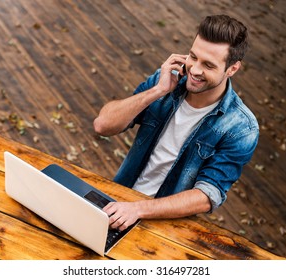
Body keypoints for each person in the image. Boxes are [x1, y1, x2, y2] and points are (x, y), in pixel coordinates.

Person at [93, 14, 259, 231]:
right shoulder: (165, 82)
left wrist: (138, 209)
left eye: (208, 65)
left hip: (165, 226)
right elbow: (102, 125)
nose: (195, 70)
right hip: (118, 202)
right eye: (193, 57)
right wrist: (158, 90)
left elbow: (207, 195)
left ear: (232, 69)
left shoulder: (241, 128)